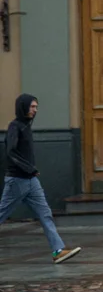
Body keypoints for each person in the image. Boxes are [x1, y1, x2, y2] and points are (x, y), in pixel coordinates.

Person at [0, 94, 82, 264]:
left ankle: (57, 251)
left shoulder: (26, 126)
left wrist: (31, 172)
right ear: (23, 107)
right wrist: (29, 168)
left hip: (31, 181)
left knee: (45, 214)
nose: (35, 110)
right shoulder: (15, 127)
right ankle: (57, 250)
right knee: (2, 213)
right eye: (32, 107)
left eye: (36, 107)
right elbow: (11, 152)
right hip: (17, 180)